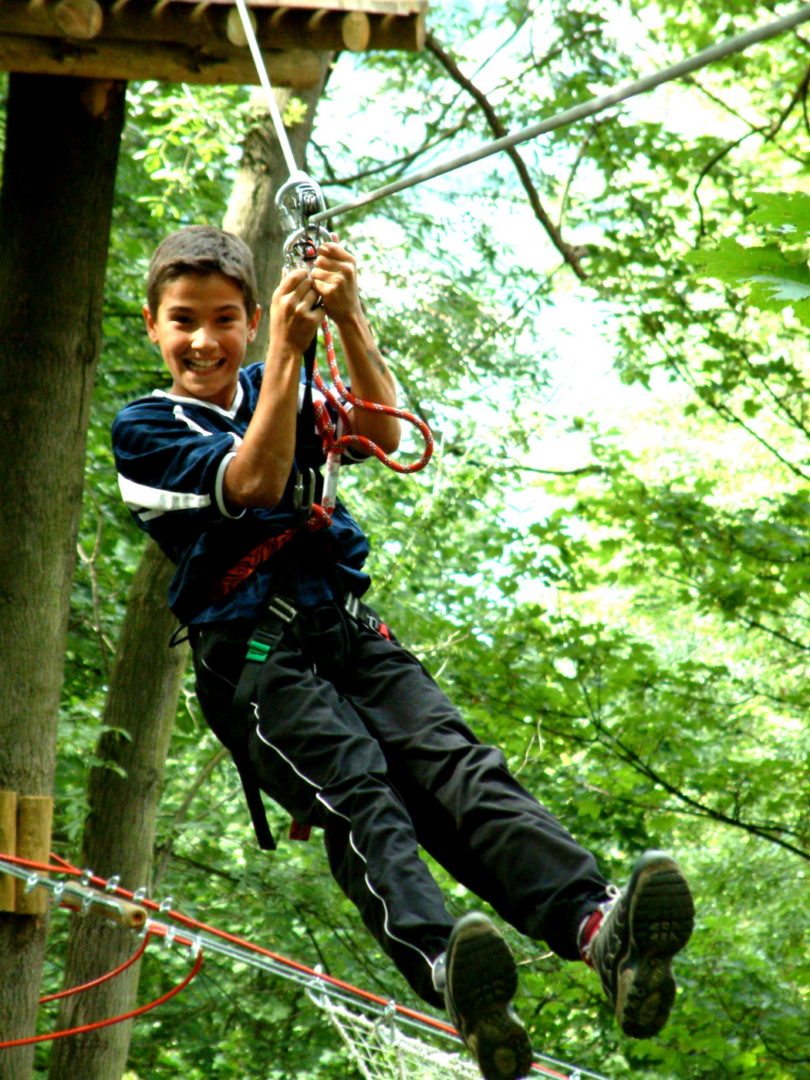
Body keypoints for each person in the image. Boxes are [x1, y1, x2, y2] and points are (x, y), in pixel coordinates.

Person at [112, 225, 694, 1080]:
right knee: (358, 789)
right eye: (185, 320)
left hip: (346, 628)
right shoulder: (147, 429)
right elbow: (255, 482)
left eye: (227, 318)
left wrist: (349, 320)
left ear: (245, 319)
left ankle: (595, 927)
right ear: (153, 327)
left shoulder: (284, 376)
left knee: (461, 770)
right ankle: (449, 969)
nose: (206, 340)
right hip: (257, 660)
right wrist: (282, 352)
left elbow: (382, 433)